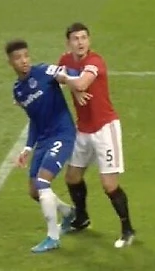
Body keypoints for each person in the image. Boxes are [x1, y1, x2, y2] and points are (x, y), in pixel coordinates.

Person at [57, 22, 136, 248]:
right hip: (83, 129)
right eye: (75, 38)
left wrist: (72, 83)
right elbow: (55, 76)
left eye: (84, 38)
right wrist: (74, 88)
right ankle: (82, 218)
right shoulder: (65, 60)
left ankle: (127, 229)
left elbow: (82, 81)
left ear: (89, 40)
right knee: (72, 177)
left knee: (109, 185)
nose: (80, 42)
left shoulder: (95, 61)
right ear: (68, 42)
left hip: (105, 129)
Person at [7, 39, 77, 253]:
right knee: (34, 191)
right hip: (44, 140)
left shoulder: (45, 71)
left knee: (43, 182)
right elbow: (34, 121)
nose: (24, 61)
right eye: (18, 58)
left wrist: (69, 78)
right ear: (10, 62)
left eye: (26, 55)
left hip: (62, 134)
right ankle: (68, 213)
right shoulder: (18, 91)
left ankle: (52, 237)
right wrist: (28, 148)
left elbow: (69, 73)